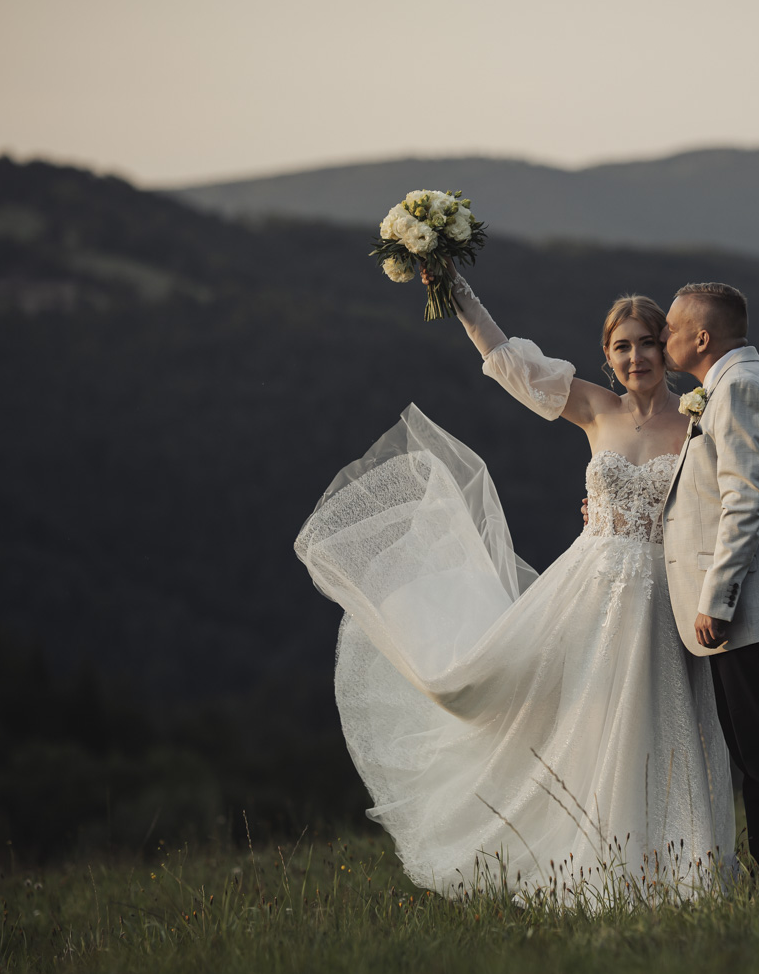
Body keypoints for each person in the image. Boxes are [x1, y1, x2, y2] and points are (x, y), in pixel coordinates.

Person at [293, 276, 735, 904]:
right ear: (606, 357)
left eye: (647, 344)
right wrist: (457, 290)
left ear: (668, 349)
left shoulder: (697, 421)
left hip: (663, 596)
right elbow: (507, 363)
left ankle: (674, 869)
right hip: (591, 590)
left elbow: (735, 492)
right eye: (621, 347)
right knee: (581, 722)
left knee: (662, 725)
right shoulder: (593, 409)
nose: (636, 358)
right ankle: (594, 858)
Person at [660, 282, 759, 885]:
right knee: (756, 754)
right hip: (755, 609)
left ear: (702, 337)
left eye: (673, 329)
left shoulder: (740, 390)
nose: (664, 337)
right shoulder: (735, 385)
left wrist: (717, 599)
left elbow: (746, 504)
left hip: (753, 611)